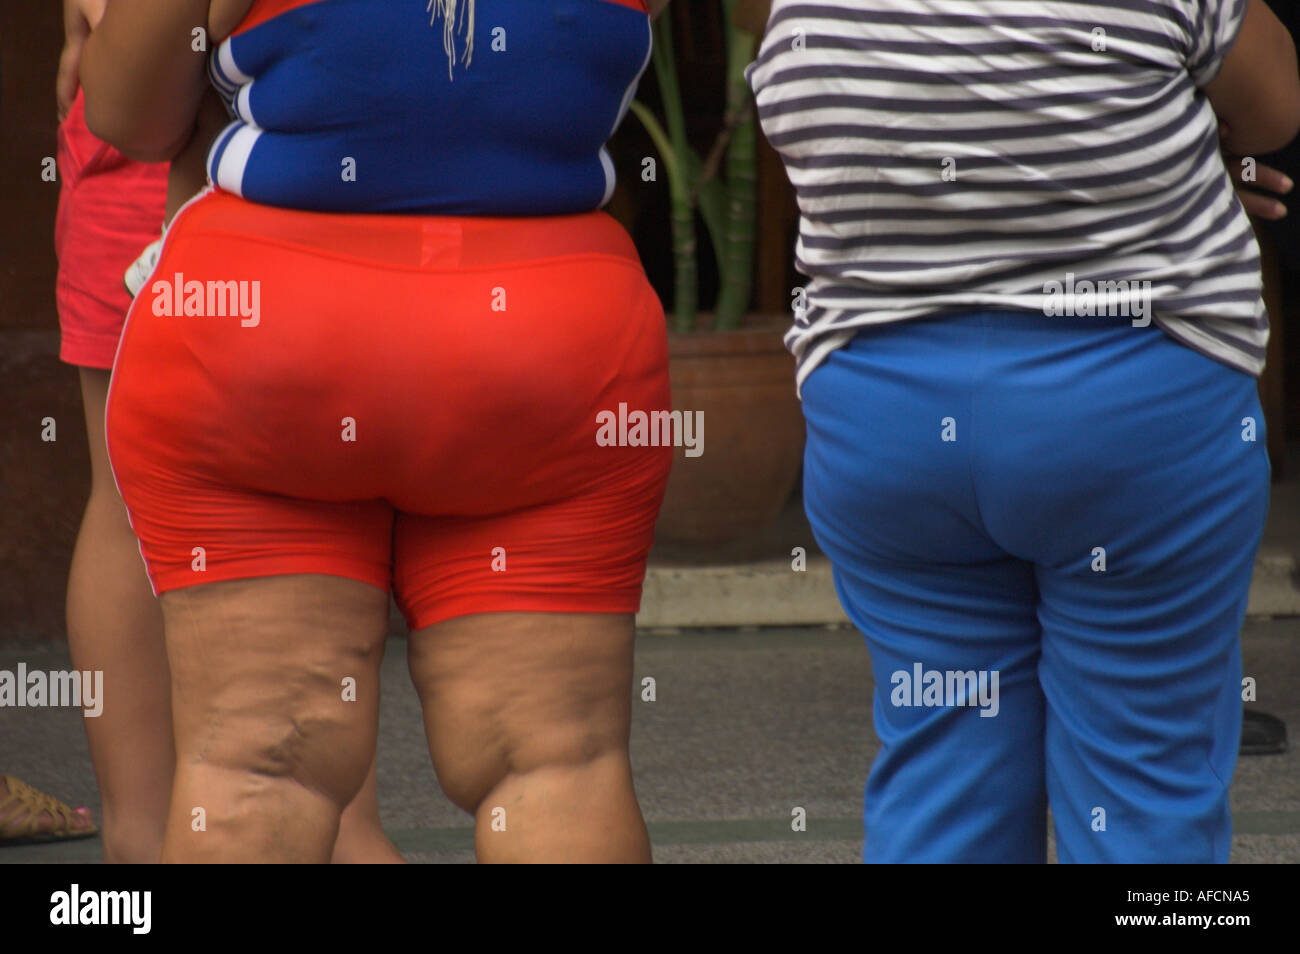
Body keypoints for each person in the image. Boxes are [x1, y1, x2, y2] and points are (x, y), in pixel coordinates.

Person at [80, 0, 673, 863]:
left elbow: (128, 115)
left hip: (263, 337)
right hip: (547, 343)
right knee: (557, 764)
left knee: (255, 767)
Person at [747, 0, 1300, 862]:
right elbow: (1275, 104)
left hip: (886, 428)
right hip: (1133, 417)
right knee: (1147, 785)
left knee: (944, 775)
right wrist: (1175, 152)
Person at [56, 0, 400, 863]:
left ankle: (161, 835)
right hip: (242, 135)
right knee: (300, 495)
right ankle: (322, 831)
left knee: (129, 495)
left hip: (232, 120)